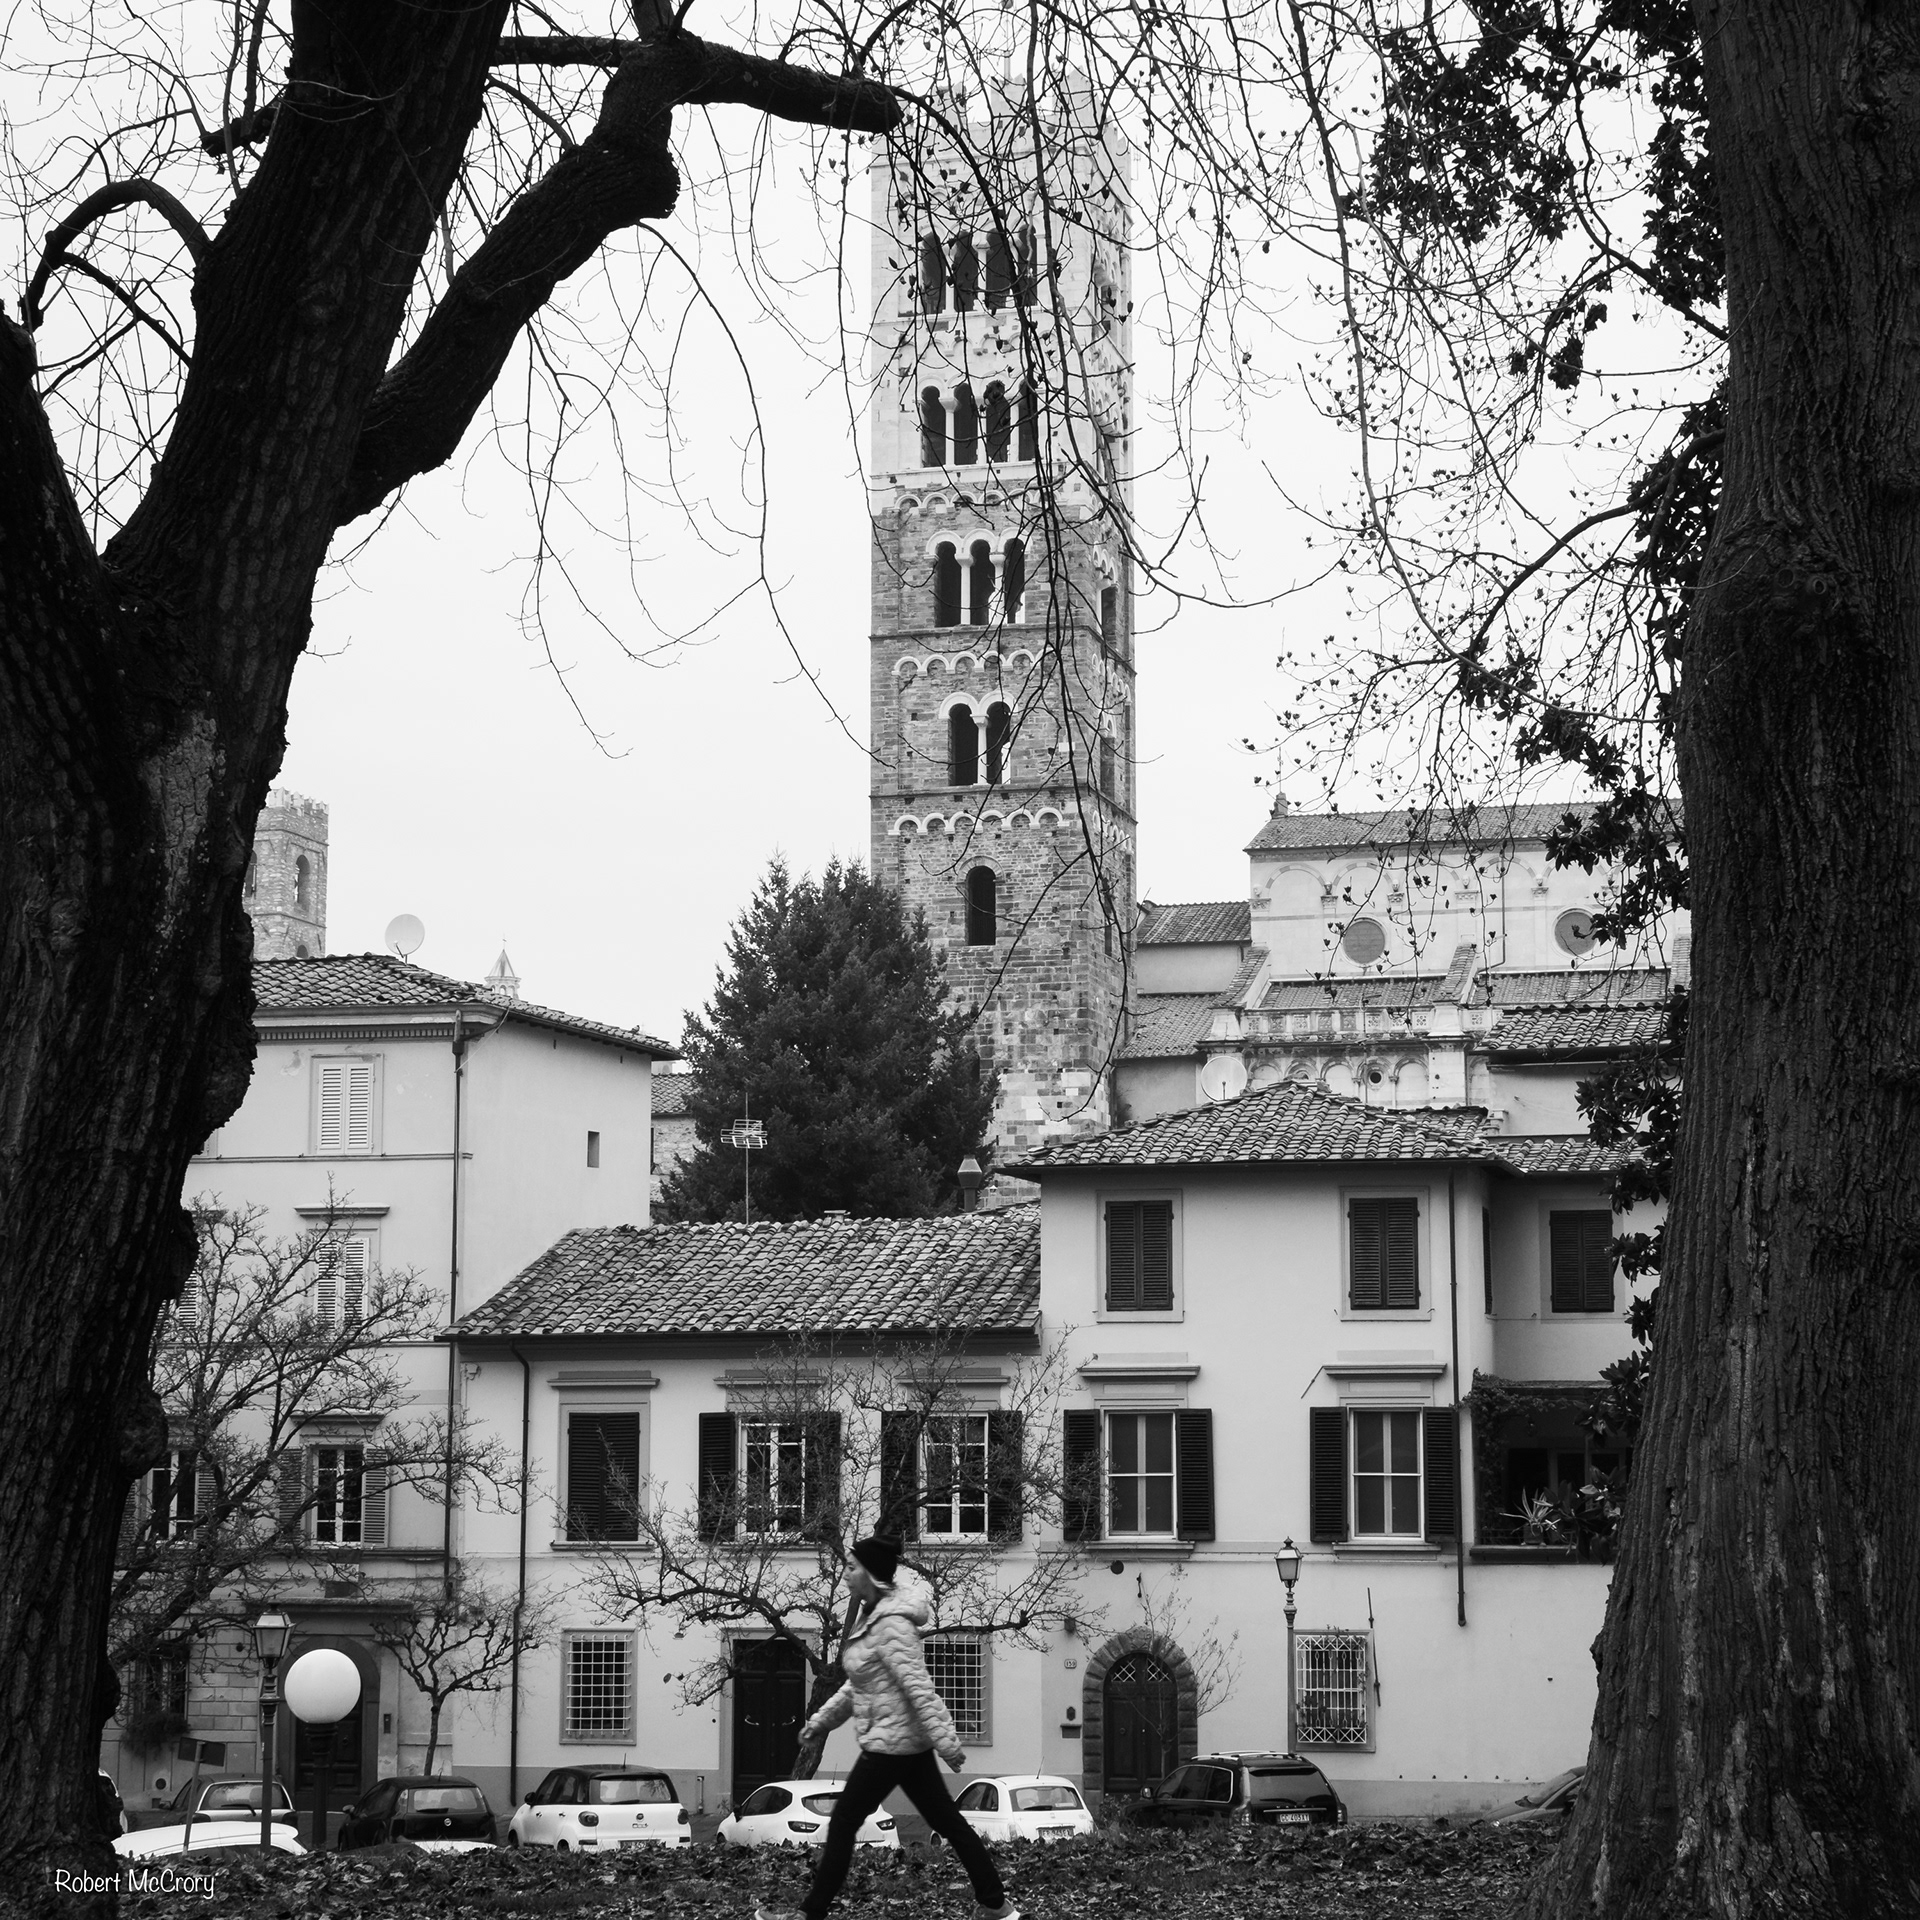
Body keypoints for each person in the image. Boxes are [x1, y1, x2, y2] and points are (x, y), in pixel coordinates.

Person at [753, 1536, 1020, 1920]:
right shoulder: (874, 1614)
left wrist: (947, 1740)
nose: (844, 1575)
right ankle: (996, 1905)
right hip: (905, 1745)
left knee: (845, 1819)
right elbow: (857, 1684)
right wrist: (821, 1721)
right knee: (948, 1821)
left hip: (890, 1745)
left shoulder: (891, 1623)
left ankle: (809, 1914)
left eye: (850, 1567)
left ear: (871, 1575)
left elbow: (917, 1684)